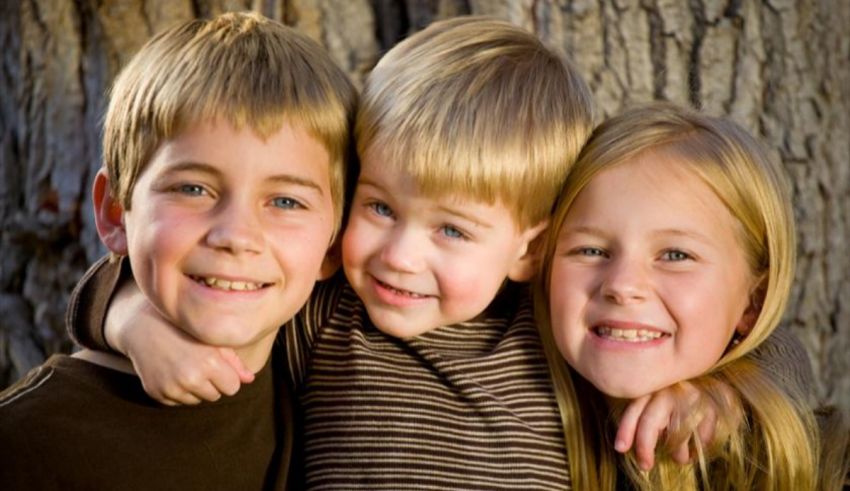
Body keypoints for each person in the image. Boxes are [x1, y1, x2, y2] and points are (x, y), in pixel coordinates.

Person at [65, 18, 815, 490]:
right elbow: (199, 284)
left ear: (530, 249)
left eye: (452, 230)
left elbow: (771, 349)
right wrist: (135, 322)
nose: (398, 255)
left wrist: (721, 389)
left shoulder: (552, 331)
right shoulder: (329, 315)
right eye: (380, 207)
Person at [0, 12, 356, 490]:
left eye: (286, 201)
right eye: (193, 189)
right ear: (113, 212)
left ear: (334, 243)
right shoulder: (27, 443)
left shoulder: (336, 379)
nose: (236, 235)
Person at [535, 102, 849, 490]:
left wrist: (744, 390)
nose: (621, 284)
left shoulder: (804, 462)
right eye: (591, 250)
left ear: (752, 302)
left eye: (675, 255)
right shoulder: (507, 378)